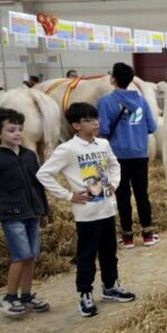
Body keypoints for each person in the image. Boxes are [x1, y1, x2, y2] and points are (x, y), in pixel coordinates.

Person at [36, 102, 136, 317]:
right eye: (88, 120)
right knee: (87, 255)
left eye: (96, 119)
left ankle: (110, 286)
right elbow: (43, 174)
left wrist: (114, 183)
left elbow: (114, 165)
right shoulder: (68, 149)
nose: (95, 123)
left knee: (109, 252)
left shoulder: (103, 144)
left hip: (107, 209)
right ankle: (85, 294)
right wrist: (68, 195)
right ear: (76, 126)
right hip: (86, 214)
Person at [96, 62, 158, 249]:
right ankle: (147, 234)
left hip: (117, 156)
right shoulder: (141, 102)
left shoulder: (105, 102)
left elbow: (103, 130)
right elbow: (152, 127)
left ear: (113, 79)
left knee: (122, 195)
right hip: (140, 154)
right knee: (142, 194)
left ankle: (128, 237)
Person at [0, 108, 50, 315]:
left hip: (33, 213)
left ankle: (27, 295)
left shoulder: (30, 155)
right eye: (11, 130)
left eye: (20, 129)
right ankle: (10, 297)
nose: (18, 133)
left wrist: (44, 211)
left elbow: (38, 185)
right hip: (11, 216)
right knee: (20, 256)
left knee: (31, 256)